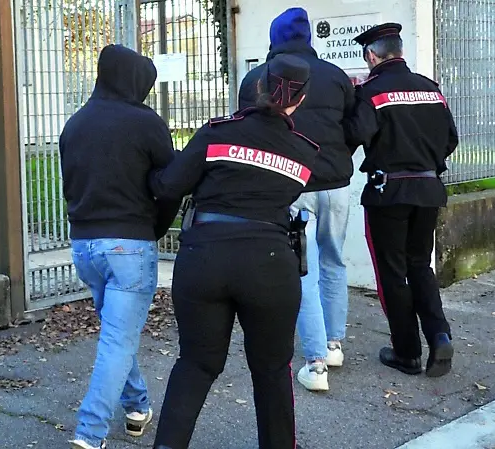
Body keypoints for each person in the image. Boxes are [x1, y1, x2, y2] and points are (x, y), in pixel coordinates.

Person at [148, 54, 318, 449]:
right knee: (272, 370)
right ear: (301, 100)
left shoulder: (216, 133)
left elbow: (169, 185)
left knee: (195, 363)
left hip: (204, 257)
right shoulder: (305, 153)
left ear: (257, 89)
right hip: (270, 264)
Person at [59, 44, 182, 449]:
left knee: (117, 335)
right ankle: (90, 433)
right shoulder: (146, 123)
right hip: (130, 247)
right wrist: (155, 228)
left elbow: (70, 188)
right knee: (117, 340)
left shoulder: (74, 125)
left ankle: (136, 406)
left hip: (84, 248)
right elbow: (171, 186)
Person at [238, 7, 355, 391]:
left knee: (303, 270)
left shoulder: (258, 79)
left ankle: (316, 362)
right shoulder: (338, 77)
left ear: (274, 40)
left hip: (291, 185)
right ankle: (334, 343)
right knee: (334, 259)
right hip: (336, 183)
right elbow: (352, 127)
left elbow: (248, 132)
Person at [343, 23, 459, 378]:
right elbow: (450, 139)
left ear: (371, 55)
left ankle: (406, 351)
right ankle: (439, 335)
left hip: (388, 192)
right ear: (400, 52)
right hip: (427, 190)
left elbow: (354, 135)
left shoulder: (372, 92)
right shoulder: (431, 90)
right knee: (420, 266)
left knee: (392, 273)